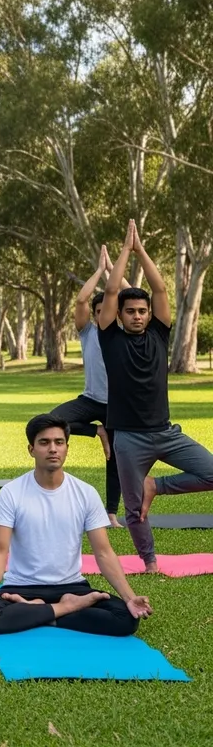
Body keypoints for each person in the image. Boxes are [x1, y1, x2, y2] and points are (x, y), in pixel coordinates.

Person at [98, 219, 213, 572]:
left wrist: (141, 250)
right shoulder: (110, 338)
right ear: (119, 315)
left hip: (165, 432)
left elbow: (160, 289)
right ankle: (149, 561)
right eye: (130, 311)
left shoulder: (159, 334)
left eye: (142, 311)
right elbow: (112, 290)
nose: (137, 316)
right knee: (133, 510)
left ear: (149, 315)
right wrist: (124, 251)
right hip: (129, 439)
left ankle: (156, 485)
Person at [0, 414, 152, 636]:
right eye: (44, 443)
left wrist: (130, 598)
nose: (53, 449)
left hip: (72, 587)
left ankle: (36, 611)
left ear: (67, 448)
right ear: (31, 450)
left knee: (126, 619)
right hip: (21, 587)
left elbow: (104, 552)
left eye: (59, 442)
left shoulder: (85, 493)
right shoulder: (11, 493)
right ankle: (65, 608)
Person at [51, 245, 126, 527]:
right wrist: (100, 271)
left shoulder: (124, 334)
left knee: (115, 460)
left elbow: (135, 295)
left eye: (108, 310)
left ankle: (111, 513)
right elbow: (81, 300)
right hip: (90, 400)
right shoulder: (88, 332)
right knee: (52, 420)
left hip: (117, 406)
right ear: (95, 314)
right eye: (99, 311)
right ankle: (97, 431)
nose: (103, 314)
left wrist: (114, 274)